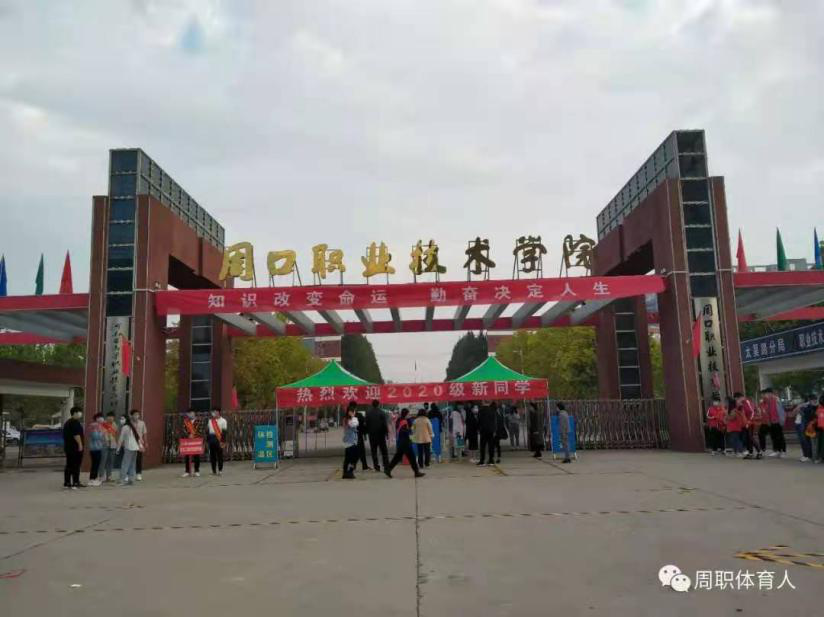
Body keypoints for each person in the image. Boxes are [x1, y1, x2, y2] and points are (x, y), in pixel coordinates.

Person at [385, 408, 424, 478]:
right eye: (408, 414)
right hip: (405, 443)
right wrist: (409, 432)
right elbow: (405, 431)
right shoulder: (404, 422)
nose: (409, 415)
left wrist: (409, 421)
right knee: (412, 458)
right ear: (406, 414)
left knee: (397, 457)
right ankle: (416, 472)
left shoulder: (400, 420)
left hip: (401, 442)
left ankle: (388, 469)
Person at [117, 412, 143, 486]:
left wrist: (118, 448)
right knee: (132, 464)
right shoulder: (131, 426)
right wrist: (140, 446)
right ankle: (131, 480)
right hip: (135, 448)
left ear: (126, 419)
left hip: (129, 447)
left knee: (125, 464)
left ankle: (121, 480)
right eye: (120, 419)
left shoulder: (125, 427)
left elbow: (121, 438)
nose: (121, 420)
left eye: (122, 419)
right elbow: (137, 437)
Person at [62, 406, 85, 489]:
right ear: (75, 413)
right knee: (76, 465)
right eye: (79, 412)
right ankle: (76, 482)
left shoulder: (67, 422)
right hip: (75, 448)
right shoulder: (74, 422)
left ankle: (67, 482)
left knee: (69, 465)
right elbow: (76, 435)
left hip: (68, 447)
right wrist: (80, 445)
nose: (80, 414)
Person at [760, 388, 786, 457]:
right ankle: (777, 450)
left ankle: (783, 451)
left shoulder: (776, 400)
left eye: (767, 394)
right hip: (771, 422)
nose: (767, 395)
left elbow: (781, 411)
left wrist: (781, 421)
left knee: (780, 437)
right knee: (774, 437)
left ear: (771, 393)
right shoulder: (768, 401)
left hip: (777, 421)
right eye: (766, 394)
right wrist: (768, 421)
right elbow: (767, 412)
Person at [365, 399, 390, 472]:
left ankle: (376, 466)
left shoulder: (368, 413)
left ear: (372, 405)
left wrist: (367, 433)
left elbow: (366, 424)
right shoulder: (382, 412)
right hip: (381, 435)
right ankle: (386, 465)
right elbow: (384, 424)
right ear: (378, 404)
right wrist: (386, 433)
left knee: (374, 451)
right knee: (384, 451)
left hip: (372, 435)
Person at [795, 394, 816, 462]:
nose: (814, 401)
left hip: (807, 425)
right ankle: (807, 455)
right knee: (805, 441)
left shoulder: (811, 407)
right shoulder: (806, 406)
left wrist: (800, 409)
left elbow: (805, 415)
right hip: (804, 425)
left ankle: (808, 455)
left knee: (806, 441)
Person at [207, 407, 228, 475]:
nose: (213, 413)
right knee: (212, 456)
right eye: (213, 412)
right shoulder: (210, 421)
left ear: (218, 412)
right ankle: (213, 471)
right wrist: (208, 440)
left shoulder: (223, 421)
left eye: (215, 411)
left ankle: (220, 470)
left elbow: (224, 432)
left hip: (219, 438)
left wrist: (223, 441)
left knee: (219, 455)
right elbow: (208, 431)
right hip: (211, 438)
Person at [181, 409, 201, 477]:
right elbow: (183, 430)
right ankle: (187, 471)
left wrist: (194, 435)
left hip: (196, 440)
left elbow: (201, 430)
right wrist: (188, 435)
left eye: (191, 413)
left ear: (194, 413)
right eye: (188, 413)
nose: (190, 414)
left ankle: (197, 471)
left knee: (196, 456)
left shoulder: (199, 421)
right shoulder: (185, 421)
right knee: (187, 456)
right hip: (188, 441)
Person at [100, 412, 119, 482]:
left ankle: (109, 477)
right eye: (109, 416)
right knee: (103, 461)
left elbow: (116, 434)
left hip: (113, 445)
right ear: (106, 417)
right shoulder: (102, 424)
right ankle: (101, 477)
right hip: (104, 445)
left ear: (114, 418)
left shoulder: (115, 425)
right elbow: (101, 435)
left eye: (112, 417)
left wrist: (117, 444)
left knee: (110, 461)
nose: (111, 418)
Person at [342, 405, 360, 479]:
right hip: (349, 441)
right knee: (353, 457)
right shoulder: (346, 419)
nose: (354, 413)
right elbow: (353, 424)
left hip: (353, 440)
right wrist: (353, 418)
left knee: (349, 457)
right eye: (352, 411)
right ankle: (349, 471)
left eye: (354, 411)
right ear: (349, 412)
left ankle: (347, 472)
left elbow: (356, 424)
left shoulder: (352, 419)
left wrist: (354, 418)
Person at [87, 413, 105, 486]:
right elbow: (95, 437)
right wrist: (101, 433)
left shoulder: (99, 426)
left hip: (98, 448)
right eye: (100, 417)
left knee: (96, 464)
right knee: (95, 464)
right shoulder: (93, 426)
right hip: (94, 448)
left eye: (102, 417)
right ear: (97, 418)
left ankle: (94, 479)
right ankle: (92, 479)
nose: (102, 419)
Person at [131, 409, 148, 481]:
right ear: (132, 415)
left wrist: (146, 442)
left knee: (139, 459)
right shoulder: (129, 423)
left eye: (137, 414)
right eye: (135, 414)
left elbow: (144, 433)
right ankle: (129, 474)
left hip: (139, 443)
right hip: (131, 443)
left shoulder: (142, 423)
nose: (137, 416)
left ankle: (138, 474)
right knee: (130, 459)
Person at [815, 395, 824, 464]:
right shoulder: (819, 408)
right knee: (821, 444)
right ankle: (820, 457)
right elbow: (817, 416)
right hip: (820, 429)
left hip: (820, 428)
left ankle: (820, 458)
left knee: (821, 444)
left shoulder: (819, 408)